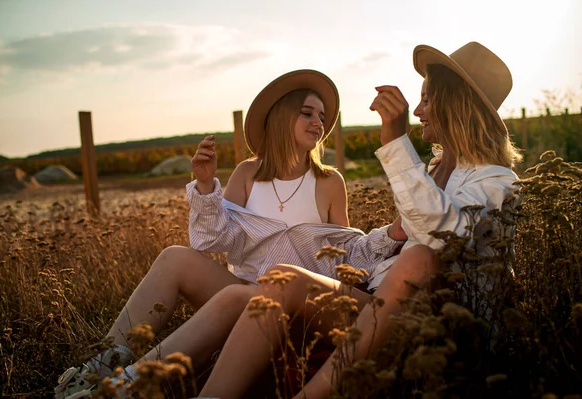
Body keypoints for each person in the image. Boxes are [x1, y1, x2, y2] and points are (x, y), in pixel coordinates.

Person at [197, 41, 523, 399]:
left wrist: (397, 143)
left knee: (418, 258)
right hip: (380, 300)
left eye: (427, 100)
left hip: (434, 322)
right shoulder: (433, 168)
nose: (417, 111)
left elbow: (440, 238)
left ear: (455, 106)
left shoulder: (497, 181)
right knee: (279, 281)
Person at [54, 70, 404, 399]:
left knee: (243, 296)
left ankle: (129, 386)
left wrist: (392, 234)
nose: (319, 123)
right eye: (308, 113)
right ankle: (95, 369)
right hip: (241, 291)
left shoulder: (329, 181)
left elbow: (342, 255)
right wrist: (206, 186)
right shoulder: (248, 173)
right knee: (175, 257)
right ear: (282, 117)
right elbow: (214, 239)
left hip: (292, 304)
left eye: (323, 117)